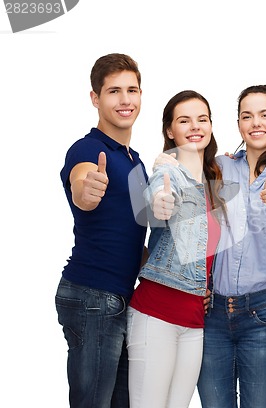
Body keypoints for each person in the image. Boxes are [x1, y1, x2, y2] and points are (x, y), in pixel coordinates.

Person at [196, 85, 266, 408]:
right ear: (239, 124)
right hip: (213, 312)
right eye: (247, 116)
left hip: (263, 312)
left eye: (265, 115)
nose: (255, 123)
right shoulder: (220, 167)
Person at [55, 53, 148, 408]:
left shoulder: (134, 160)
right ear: (96, 98)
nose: (125, 100)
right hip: (93, 295)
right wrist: (86, 190)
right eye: (113, 91)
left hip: (123, 298)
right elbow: (83, 184)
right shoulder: (89, 149)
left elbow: (133, 235)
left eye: (132, 90)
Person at [126, 90, 224, 408]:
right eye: (184, 120)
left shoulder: (213, 183)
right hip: (157, 315)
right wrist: (160, 202)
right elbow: (159, 195)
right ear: (170, 130)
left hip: (194, 321)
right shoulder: (169, 171)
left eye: (202, 119)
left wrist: (205, 287)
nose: (195, 126)